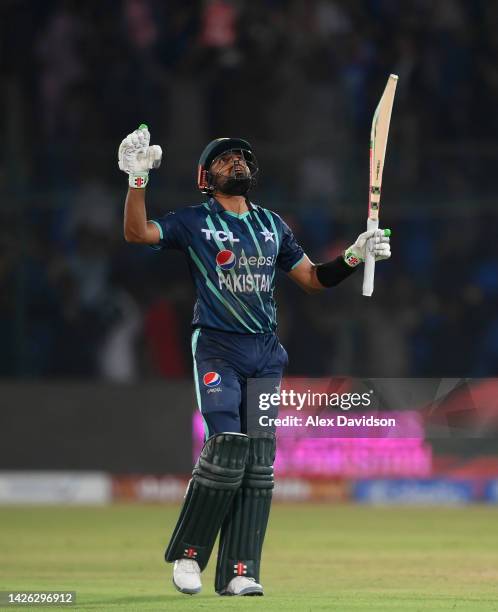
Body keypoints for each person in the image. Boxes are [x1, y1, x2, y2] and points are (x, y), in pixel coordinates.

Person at [119, 124, 391, 597]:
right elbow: (137, 232)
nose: (237, 162)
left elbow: (311, 280)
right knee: (226, 447)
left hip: (265, 354)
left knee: (259, 464)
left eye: (242, 156)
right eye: (225, 159)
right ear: (205, 176)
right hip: (219, 348)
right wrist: (137, 180)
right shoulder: (192, 221)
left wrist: (351, 255)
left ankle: (240, 570)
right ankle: (188, 556)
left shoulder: (272, 225)